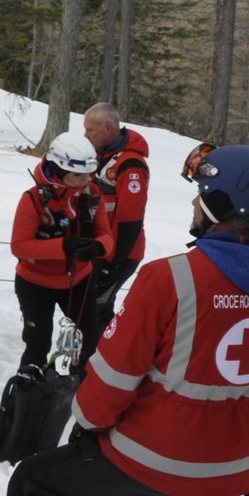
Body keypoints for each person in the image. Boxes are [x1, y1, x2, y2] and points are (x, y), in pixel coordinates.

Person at [0, 144, 249, 496]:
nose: (193, 200)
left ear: (220, 203)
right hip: (228, 465)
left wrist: (89, 424)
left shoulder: (171, 278)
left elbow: (114, 376)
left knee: (31, 483)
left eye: (201, 192)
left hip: (152, 453)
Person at [8, 132, 111, 372]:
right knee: (37, 343)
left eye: (89, 173)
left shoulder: (92, 195)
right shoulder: (33, 199)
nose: (85, 180)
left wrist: (98, 247)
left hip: (79, 280)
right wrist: (63, 248)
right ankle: (28, 395)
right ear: (58, 170)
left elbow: (106, 235)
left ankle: (78, 393)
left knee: (88, 341)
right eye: (78, 175)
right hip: (35, 283)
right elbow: (19, 246)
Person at [83, 102, 150, 331]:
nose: (85, 135)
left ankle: (98, 358)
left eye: (90, 130)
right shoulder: (102, 156)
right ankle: (96, 356)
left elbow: (130, 219)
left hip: (120, 252)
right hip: (101, 248)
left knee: (95, 308)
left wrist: (112, 263)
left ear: (108, 128)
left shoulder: (130, 164)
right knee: (91, 306)